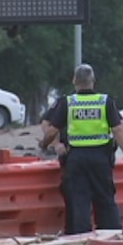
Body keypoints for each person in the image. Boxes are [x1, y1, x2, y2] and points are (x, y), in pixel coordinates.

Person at [40, 64, 123, 234]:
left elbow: (52, 130)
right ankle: (111, 236)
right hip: (101, 158)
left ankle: (82, 239)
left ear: (74, 81)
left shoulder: (68, 102)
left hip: (76, 159)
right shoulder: (105, 101)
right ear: (93, 80)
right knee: (105, 199)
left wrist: (44, 144)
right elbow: (118, 131)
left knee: (79, 200)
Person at [38, 97, 74, 235]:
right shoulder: (65, 101)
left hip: (77, 158)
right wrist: (55, 143)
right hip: (73, 156)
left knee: (76, 198)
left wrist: (46, 143)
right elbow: (47, 125)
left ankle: (76, 231)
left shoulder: (101, 100)